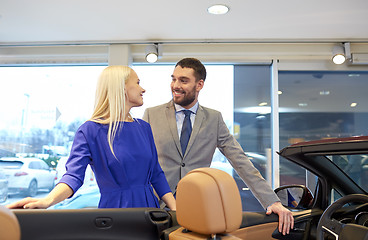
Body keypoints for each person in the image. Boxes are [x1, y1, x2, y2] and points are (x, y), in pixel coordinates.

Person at [143, 58, 293, 234]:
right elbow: (141, 162)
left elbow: (240, 161)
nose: (175, 85)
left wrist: (272, 201)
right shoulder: (152, 115)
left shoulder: (214, 119)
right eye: (173, 78)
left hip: (197, 209)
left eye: (183, 80)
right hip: (156, 207)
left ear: (199, 85)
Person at [7, 66, 176, 210]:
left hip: (150, 212)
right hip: (116, 213)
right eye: (138, 83)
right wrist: (48, 200)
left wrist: (177, 212)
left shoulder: (143, 127)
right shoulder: (90, 130)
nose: (143, 89)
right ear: (122, 87)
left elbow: (156, 174)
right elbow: (73, 176)